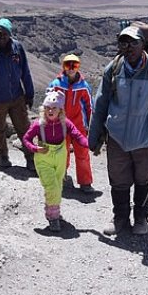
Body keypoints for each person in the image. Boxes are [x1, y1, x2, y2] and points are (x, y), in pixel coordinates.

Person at [88, 25, 148, 236]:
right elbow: (100, 104)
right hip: (117, 139)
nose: (128, 47)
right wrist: (94, 138)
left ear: (142, 44)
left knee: (144, 181)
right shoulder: (113, 68)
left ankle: (141, 218)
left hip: (145, 142)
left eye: (133, 42)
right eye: (123, 42)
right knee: (118, 181)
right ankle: (120, 218)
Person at [23, 90, 89, 232]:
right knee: (51, 186)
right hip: (43, 158)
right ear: (44, 109)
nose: (50, 111)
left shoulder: (65, 123)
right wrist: (35, 148)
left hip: (60, 156)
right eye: (48, 108)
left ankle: (53, 210)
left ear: (60, 110)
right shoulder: (38, 124)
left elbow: (77, 135)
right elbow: (26, 139)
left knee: (58, 186)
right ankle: (53, 218)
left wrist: (88, 143)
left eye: (54, 108)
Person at [0, 17, 36, 172]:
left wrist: (29, 94)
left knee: (24, 129)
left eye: (4, 33)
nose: (1, 36)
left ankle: (31, 159)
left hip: (17, 97)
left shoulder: (17, 48)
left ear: (10, 34)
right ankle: (2, 157)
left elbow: (25, 72)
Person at [48, 54, 94, 193]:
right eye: (68, 65)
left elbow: (90, 106)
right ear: (64, 67)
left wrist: (92, 125)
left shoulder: (83, 86)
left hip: (78, 124)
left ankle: (85, 182)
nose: (72, 68)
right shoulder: (56, 85)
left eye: (75, 65)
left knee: (82, 152)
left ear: (78, 67)